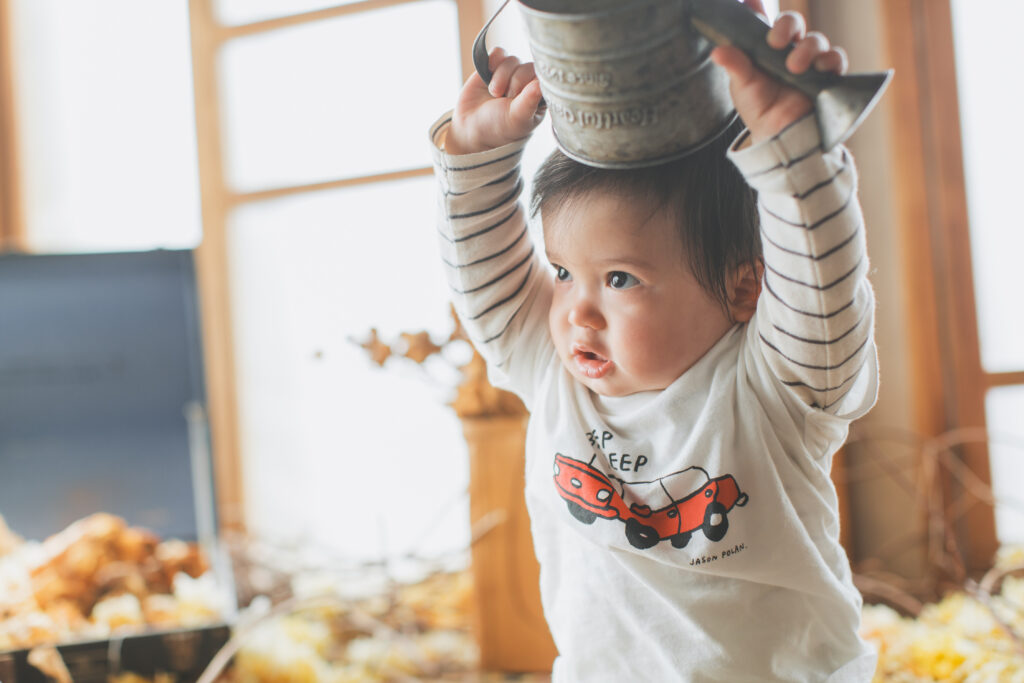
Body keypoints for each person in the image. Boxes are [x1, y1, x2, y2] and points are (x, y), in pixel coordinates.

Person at [429, 1, 878, 679]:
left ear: (745, 287)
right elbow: (486, 282)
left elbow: (822, 287)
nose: (577, 312)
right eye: (562, 272)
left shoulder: (774, 387)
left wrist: (796, 153)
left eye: (620, 279)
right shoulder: (553, 368)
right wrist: (477, 157)